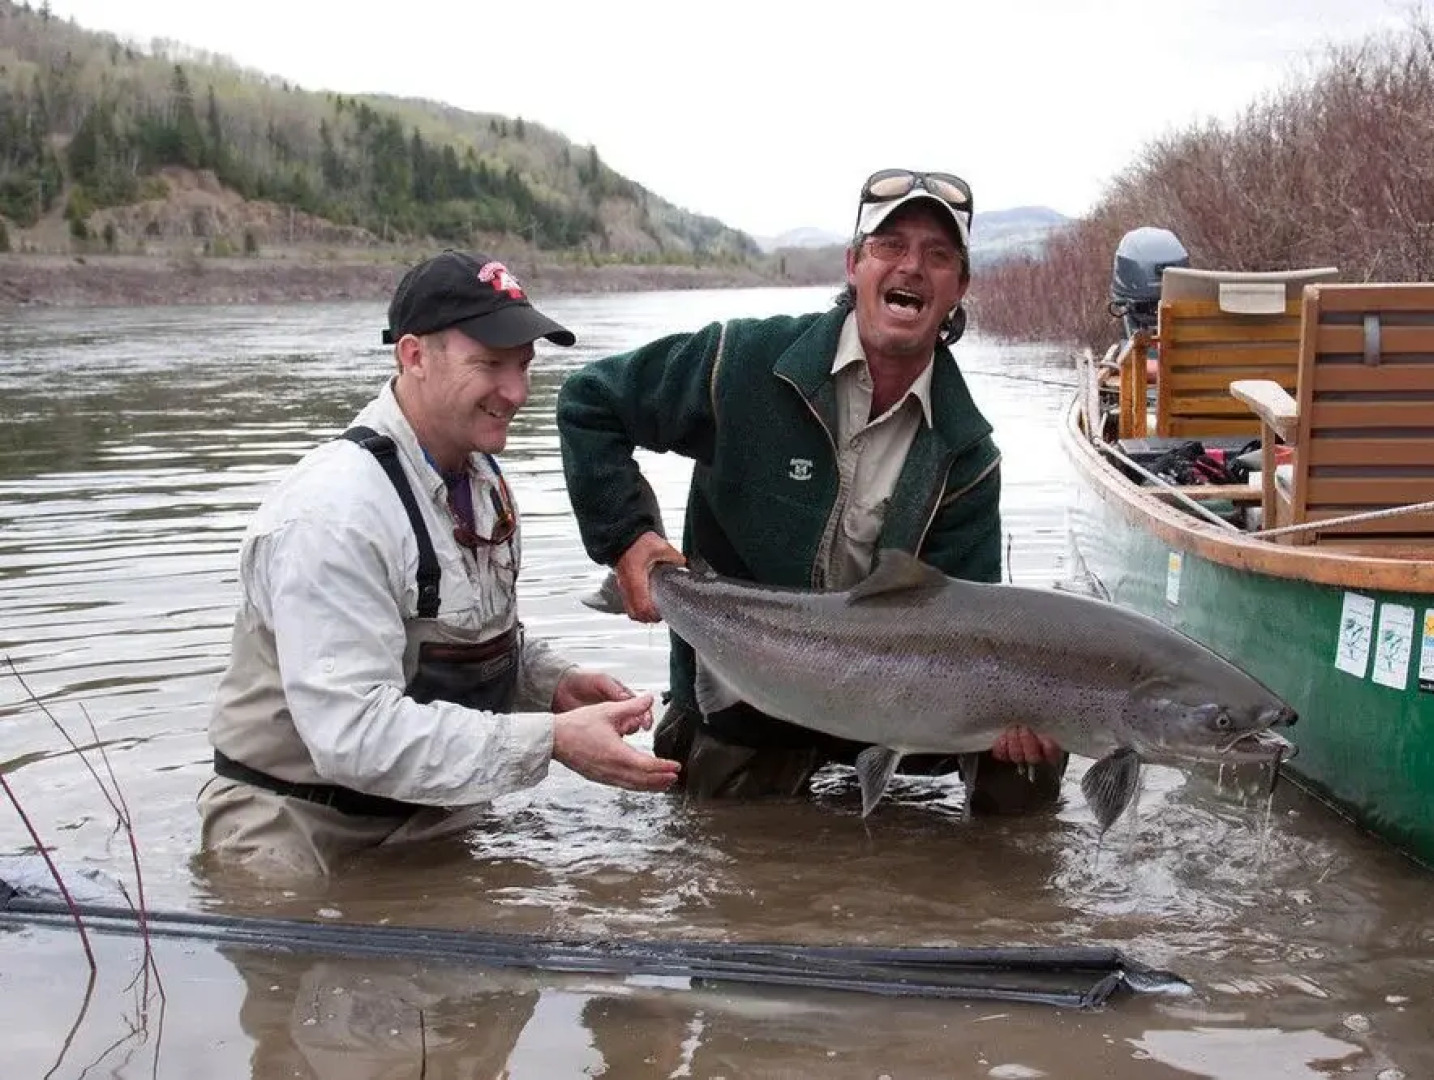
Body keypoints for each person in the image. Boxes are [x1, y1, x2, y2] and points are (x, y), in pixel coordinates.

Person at [556, 169, 1067, 813]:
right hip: (748, 689)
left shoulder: (969, 456)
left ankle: (985, 906)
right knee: (719, 850)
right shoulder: (740, 362)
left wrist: (1017, 718)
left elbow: (971, 629)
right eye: (890, 247)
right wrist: (627, 538)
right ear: (855, 265)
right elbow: (588, 403)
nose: (912, 267)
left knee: (1031, 773)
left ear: (959, 289)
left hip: (892, 702)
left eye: (938, 256)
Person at [198, 249, 680, 879]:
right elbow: (354, 734)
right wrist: (553, 741)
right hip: (299, 829)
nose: (516, 392)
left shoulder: (481, 479)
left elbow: (463, 636)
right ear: (413, 356)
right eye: (490, 364)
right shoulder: (333, 512)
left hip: (431, 814)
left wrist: (549, 685)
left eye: (524, 366)